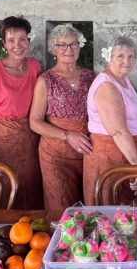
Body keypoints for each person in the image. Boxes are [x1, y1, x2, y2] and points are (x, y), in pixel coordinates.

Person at [0, 16, 42, 209]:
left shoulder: (35, 67)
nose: (17, 45)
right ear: (4, 43)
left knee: (28, 195)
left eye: (22, 39)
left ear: (29, 41)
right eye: (11, 40)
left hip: (28, 144)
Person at [29, 24, 95, 209]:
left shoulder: (90, 76)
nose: (69, 50)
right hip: (56, 154)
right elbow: (35, 122)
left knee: (90, 206)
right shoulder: (45, 80)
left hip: (87, 151)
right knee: (62, 208)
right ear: (53, 49)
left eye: (74, 44)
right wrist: (67, 135)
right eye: (62, 45)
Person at [83, 36, 137, 206]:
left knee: (126, 213)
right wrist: (136, 165)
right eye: (120, 56)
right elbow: (118, 132)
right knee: (111, 211)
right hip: (111, 155)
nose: (126, 61)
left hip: (126, 151)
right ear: (109, 57)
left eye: (131, 56)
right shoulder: (107, 86)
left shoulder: (123, 79)